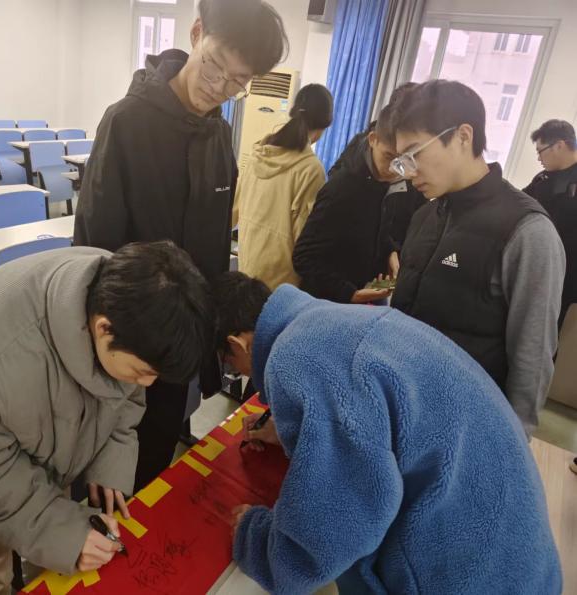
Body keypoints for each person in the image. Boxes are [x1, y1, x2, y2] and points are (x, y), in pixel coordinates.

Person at [211, 271, 562, 595]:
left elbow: (332, 529)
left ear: (238, 345)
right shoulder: (330, 320)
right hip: (520, 552)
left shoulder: (293, 357)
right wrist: (298, 431)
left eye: (232, 364)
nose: (242, 373)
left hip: (466, 576)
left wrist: (256, 539)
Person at [73, 0, 288, 493]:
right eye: (214, 66)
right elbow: (91, 247)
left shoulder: (220, 135)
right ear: (196, 34)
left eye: (237, 82)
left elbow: (213, 249)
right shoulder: (126, 122)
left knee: (155, 462)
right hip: (125, 345)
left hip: (180, 350)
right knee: (107, 477)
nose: (219, 87)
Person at [0, 242, 214, 594]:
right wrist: (64, 533)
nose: (146, 385)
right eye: (142, 372)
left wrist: (110, 463)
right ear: (104, 329)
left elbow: (124, 399)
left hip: (50, 439)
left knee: (55, 555)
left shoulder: (128, 305)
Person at [388, 80, 565, 436]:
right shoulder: (424, 216)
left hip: (468, 428)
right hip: (406, 412)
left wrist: (512, 442)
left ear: (463, 136)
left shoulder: (527, 231)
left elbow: (531, 359)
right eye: (401, 160)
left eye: (414, 153)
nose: (408, 171)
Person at [292, 84, 426, 305]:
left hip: (365, 294)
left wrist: (391, 252)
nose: (394, 169)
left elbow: (375, 231)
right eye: (388, 156)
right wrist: (349, 294)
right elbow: (303, 258)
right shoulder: (341, 188)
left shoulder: (387, 183)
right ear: (373, 139)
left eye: (402, 160)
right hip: (328, 304)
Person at [232, 83, 333, 289]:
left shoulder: (258, 154)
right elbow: (304, 239)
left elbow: (234, 210)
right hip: (283, 282)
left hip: (248, 264)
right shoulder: (310, 169)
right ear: (325, 124)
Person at [524, 119, 577, 328]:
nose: (539, 158)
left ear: (559, 145)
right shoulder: (542, 179)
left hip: (567, 273)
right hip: (537, 264)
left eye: (541, 151)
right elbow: (519, 203)